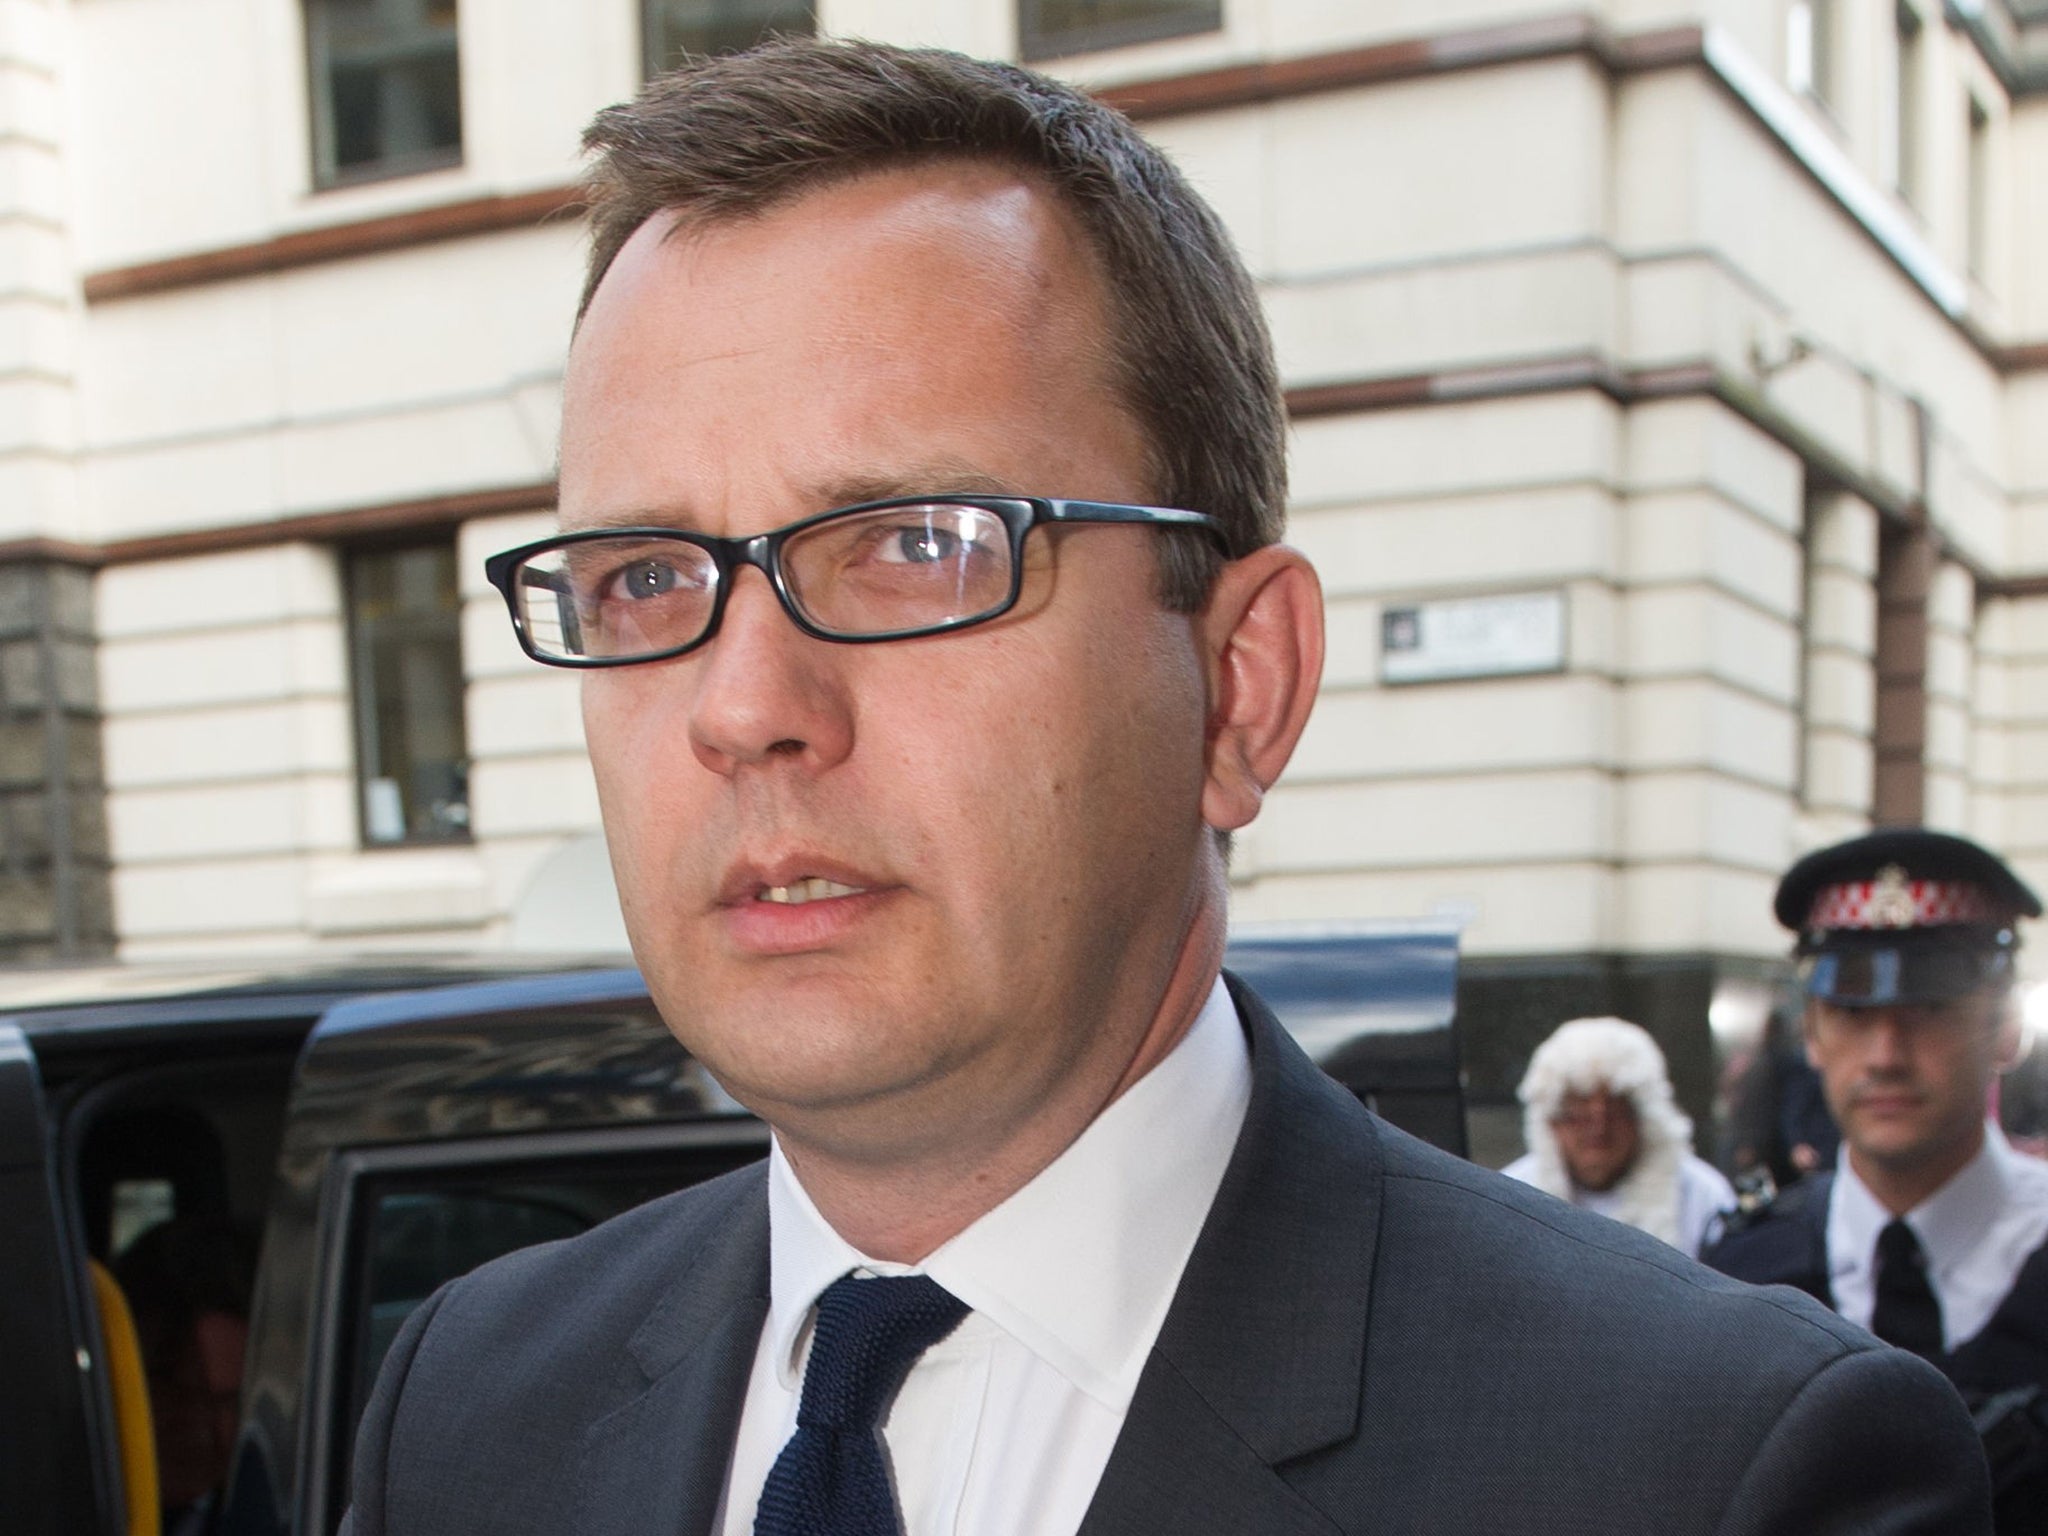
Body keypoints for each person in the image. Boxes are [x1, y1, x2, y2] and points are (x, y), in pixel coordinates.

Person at [342, 40, 1989, 1535]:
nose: (744, 705)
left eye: (918, 547)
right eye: (642, 576)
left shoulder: (1706, 1470)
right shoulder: (471, 1401)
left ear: (1236, 686)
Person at [1703, 827, 2048, 1533]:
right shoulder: (1742, 1278)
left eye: (1928, 1011)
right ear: (1814, 1035)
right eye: (1854, 1014)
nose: (1886, 1056)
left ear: (2006, 1029)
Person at [1503, 1016, 1736, 1255]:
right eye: (1579, 1115)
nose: (1599, 1129)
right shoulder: (1511, 1195)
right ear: (1551, 1121)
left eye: (1615, 1111)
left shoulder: (1701, 1194)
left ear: (1644, 1118)